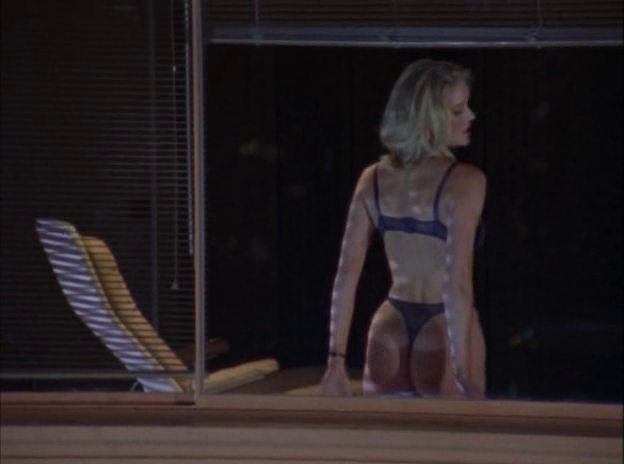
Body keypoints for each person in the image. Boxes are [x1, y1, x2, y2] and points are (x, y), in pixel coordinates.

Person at [320, 59, 486, 399]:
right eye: (458, 110)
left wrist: (336, 360)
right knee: (460, 432)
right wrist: (461, 369)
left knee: (385, 433)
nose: (471, 115)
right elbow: (456, 282)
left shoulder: (372, 179)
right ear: (428, 119)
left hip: (389, 325)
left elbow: (347, 273)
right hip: (443, 325)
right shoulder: (465, 182)